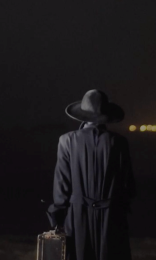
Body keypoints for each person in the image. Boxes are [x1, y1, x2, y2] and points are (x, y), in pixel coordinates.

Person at [47, 89, 136, 260]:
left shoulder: (67, 140)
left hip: (78, 216)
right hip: (112, 217)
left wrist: (56, 216)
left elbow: (62, 187)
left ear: (82, 115)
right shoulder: (119, 142)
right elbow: (129, 186)